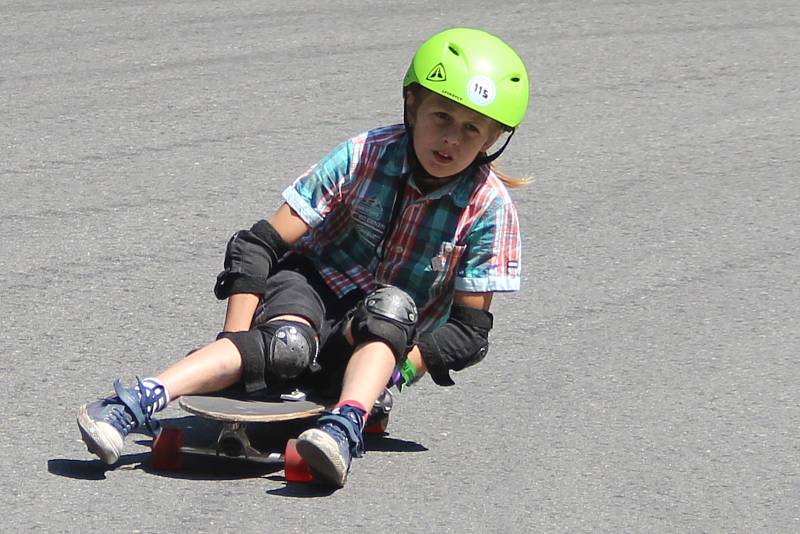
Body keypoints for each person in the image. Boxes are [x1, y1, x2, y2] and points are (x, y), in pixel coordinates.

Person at [77, 27, 530, 488]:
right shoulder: (365, 154)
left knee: (389, 308)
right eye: (441, 117)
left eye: (471, 128)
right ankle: (135, 401)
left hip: (375, 340)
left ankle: (345, 424)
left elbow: (468, 333)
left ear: (494, 137)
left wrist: (395, 375)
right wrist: (238, 339)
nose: (450, 139)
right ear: (413, 107)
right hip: (311, 287)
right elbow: (258, 244)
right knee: (285, 347)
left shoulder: (489, 208)